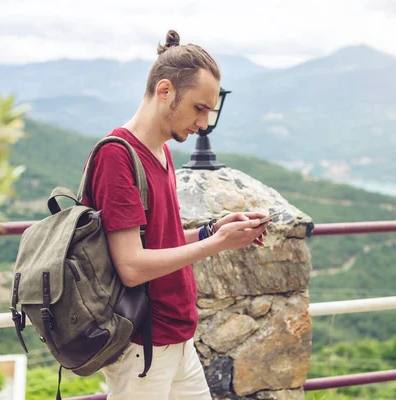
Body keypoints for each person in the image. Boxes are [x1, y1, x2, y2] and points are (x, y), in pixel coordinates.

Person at [82, 29, 270, 400]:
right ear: (165, 90)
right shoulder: (117, 156)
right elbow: (132, 266)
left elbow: (157, 244)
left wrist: (211, 231)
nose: (203, 123)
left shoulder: (161, 151)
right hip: (142, 345)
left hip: (177, 339)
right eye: (199, 108)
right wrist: (216, 245)